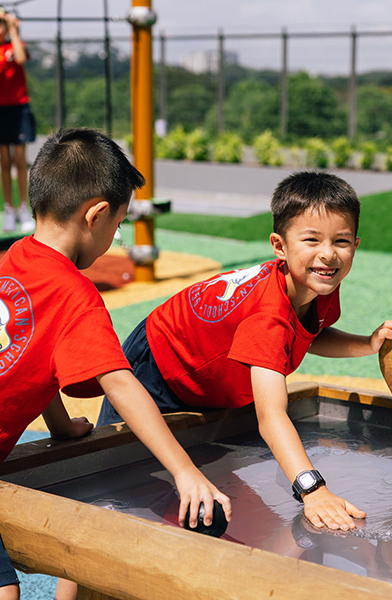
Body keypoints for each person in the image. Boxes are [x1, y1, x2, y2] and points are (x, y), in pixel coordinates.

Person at [96, 171, 392, 532]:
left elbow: (307, 335)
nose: (327, 254)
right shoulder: (268, 316)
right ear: (279, 246)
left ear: (355, 246)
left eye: (340, 241)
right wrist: (313, 490)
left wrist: (367, 343)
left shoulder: (316, 283)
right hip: (156, 367)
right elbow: (271, 416)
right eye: (311, 239)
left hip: (201, 371)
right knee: (107, 492)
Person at [0, 128, 231, 600]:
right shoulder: (74, 295)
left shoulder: (12, 259)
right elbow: (121, 383)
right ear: (96, 215)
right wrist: (185, 472)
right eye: (118, 225)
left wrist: (61, 428)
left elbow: (27, 357)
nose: (115, 238)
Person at [0, 9, 34, 234]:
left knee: (20, 160)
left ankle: (24, 207)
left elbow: (21, 58)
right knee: (4, 161)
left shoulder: (15, 45)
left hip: (19, 108)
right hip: (0, 110)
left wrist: (14, 29)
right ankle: (9, 209)